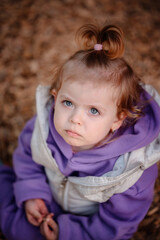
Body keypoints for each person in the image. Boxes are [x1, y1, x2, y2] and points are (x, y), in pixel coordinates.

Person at [0, 23, 160, 240]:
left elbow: (117, 224)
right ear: (56, 97)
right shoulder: (43, 128)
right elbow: (28, 157)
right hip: (47, 200)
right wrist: (33, 194)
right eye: (68, 103)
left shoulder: (130, 172)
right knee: (20, 227)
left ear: (117, 119)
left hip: (88, 227)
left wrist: (68, 232)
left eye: (94, 110)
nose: (75, 118)